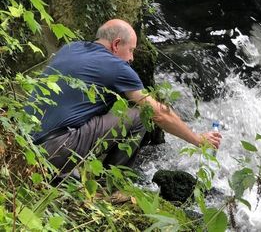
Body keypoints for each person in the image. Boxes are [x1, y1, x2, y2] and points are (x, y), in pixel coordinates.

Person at [28, 19, 222, 173]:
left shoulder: (70, 47)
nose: (131, 58)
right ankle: (110, 184)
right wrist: (197, 140)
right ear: (116, 44)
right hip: (55, 149)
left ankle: (71, 170)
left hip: (26, 143)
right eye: (131, 50)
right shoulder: (117, 67)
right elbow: (160, 114)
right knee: (140, 115)